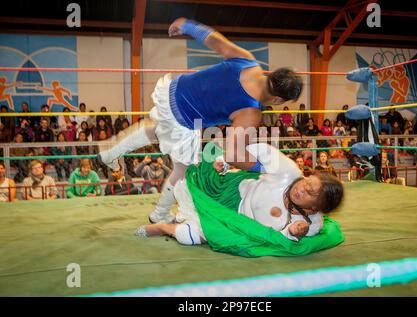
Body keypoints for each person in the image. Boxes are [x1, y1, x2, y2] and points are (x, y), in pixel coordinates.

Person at [99, 17, 303, 224]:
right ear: (277, 99)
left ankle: (109, 152)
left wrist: (186, 25)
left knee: (156, 129)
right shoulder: (250, 111)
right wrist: (264, 167)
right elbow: (233, 154)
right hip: (184, 118)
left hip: (172, 92)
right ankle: (160, 213)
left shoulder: (247, 60)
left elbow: (214, 39)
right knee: (184, 169)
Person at [136, 143, 343, 246]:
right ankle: (160, 215)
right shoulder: (288, 171)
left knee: (189, 237)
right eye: (307, 181)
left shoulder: (312, 223)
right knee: (190, 175)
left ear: (316, 207)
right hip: (232, 190)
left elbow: (284, 237)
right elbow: (260, 149)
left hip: (237, 223)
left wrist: (294, 232)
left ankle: (164, 227)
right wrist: (227, 161)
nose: (301, 187)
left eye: (309, 192)